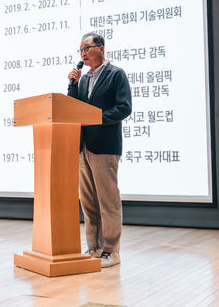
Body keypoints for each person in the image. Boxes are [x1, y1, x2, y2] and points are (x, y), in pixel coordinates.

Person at [67, 33, 132, 268]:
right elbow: (73, 109)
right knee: (89, 202)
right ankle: (94, 247)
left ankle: (112, 250)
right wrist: (72, 86)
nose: (83, 53)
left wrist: (97, 118)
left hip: (104, 146)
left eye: (87, 48)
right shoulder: (83, 80)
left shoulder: (116, 74)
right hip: (83, 147)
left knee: (108, 201)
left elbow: (124, 107)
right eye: (80, 50)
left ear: (101, 49)